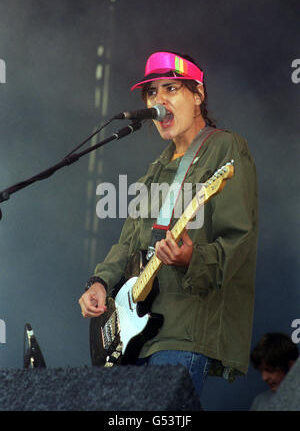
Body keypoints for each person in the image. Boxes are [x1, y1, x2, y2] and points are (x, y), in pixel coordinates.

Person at [78, 51, 259, 398]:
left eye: (171, 89)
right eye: (151, 93)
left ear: (198, 95)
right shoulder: (154, 171)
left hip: (185, 327)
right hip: (134, 336)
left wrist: (192, 258)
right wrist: (100, 282)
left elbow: (239, 240)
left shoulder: (226, 148)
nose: (158, 101)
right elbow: (127, 244)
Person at [250, 332, 299, 410]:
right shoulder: (259, 402)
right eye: (261, 371)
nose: (264, 378)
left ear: (291, 366)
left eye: (270, 370)